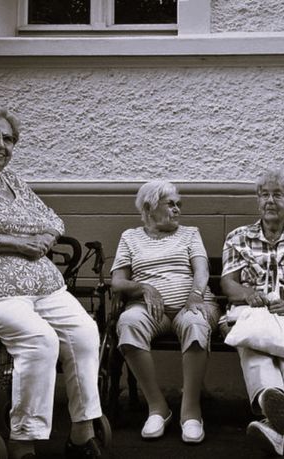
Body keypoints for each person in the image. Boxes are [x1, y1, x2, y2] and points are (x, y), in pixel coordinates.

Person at [0, 104, 104, 459]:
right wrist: (17, 242)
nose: (0, 144)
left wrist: (47, 237)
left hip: (44, 287)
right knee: (40, 340)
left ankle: (82, 433)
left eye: (7, 138)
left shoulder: (13, 181)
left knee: (84, 332)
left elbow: (52, 218)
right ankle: (24, 441)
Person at [220, 170, 284, 456]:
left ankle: (275, 414)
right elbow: (228, 281)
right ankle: (277, 409)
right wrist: (247, 294)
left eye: (277, 195)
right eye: (264, 194)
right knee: (253, 344)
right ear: (257, 200)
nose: (270, 200)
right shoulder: (238, 237)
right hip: (252, 310)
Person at [110, 180, 221, 443]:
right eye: (170, 204)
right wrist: (143, 287)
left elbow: (202, 271)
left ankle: (190, 411)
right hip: (149, 310)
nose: (177, 209)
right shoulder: (130, 237)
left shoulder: (190, 233)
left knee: (197, 322)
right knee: (128, 322)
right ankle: (157, 407)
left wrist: (195, 296)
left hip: (191, 304)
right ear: (149, 206)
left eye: (179, 204)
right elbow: (117, 282)